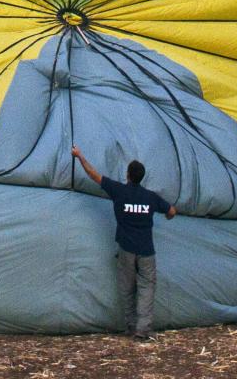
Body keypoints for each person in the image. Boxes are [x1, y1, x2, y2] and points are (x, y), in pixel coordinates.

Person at [71, 145, 177, 340]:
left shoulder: (119, 191)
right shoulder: (150, 197)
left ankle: (130, 326)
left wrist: (79, 156)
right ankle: (143, 330)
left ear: (128, 175)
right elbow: (171, 211)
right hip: (146, 250)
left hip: (126, 250)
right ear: (141, 177)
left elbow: (94, 175)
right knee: (146, 288)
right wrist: (168, 216)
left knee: (127, 288)